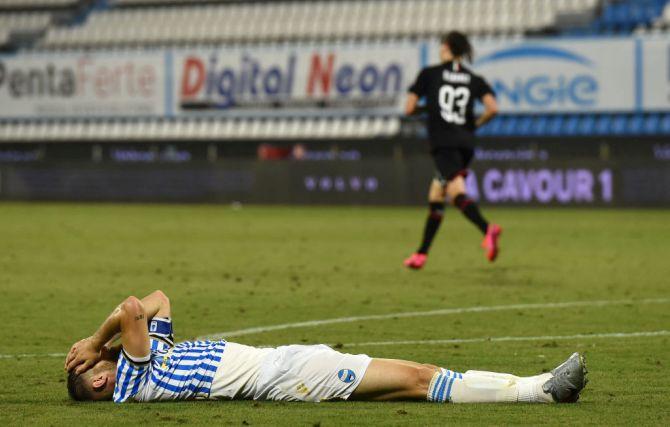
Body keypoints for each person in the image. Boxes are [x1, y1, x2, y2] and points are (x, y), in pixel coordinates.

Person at [65, 290, 588, 404]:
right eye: (95, 364)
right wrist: (95, 340)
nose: (100, 359)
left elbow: (158, 299)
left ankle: (537, 389)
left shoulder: (149, 360)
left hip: (286, 366)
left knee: (418, 379)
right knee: (419, 377)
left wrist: (98, 343)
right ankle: (541, 389)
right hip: (285, 375)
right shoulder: (131, 378)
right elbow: (134, 306)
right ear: (98, 379)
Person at [404, 31, 501, 270]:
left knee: (456, 192)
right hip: (465, 144)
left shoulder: (429, 74)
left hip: (444, 143)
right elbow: (492, 108)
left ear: (445, 47)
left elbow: (409, 108)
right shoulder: (474, 78)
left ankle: (488, 229)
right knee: (436, 195)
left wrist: (429, 110)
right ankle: (421, 254)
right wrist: (474, 125)